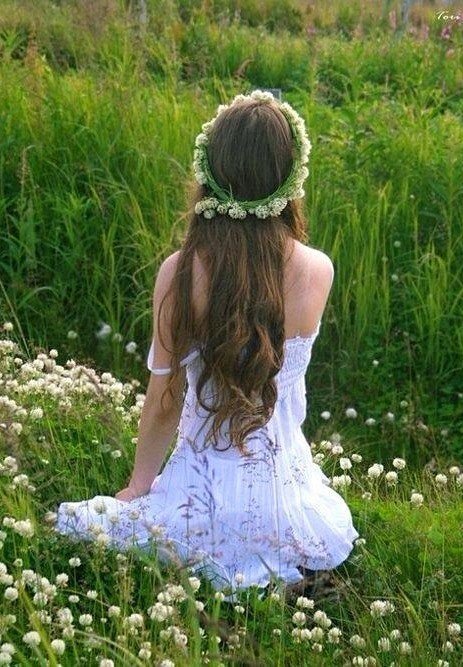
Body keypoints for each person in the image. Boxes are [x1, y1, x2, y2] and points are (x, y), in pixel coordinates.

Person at [55, 90, 359, 595]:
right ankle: (280, 576)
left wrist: (139, 485)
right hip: (283, 496)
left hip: (201, 491)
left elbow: (164, 403)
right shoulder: (317, 270)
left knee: (87, 525)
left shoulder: (180, 273)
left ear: (210, 171)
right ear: (290, 178)